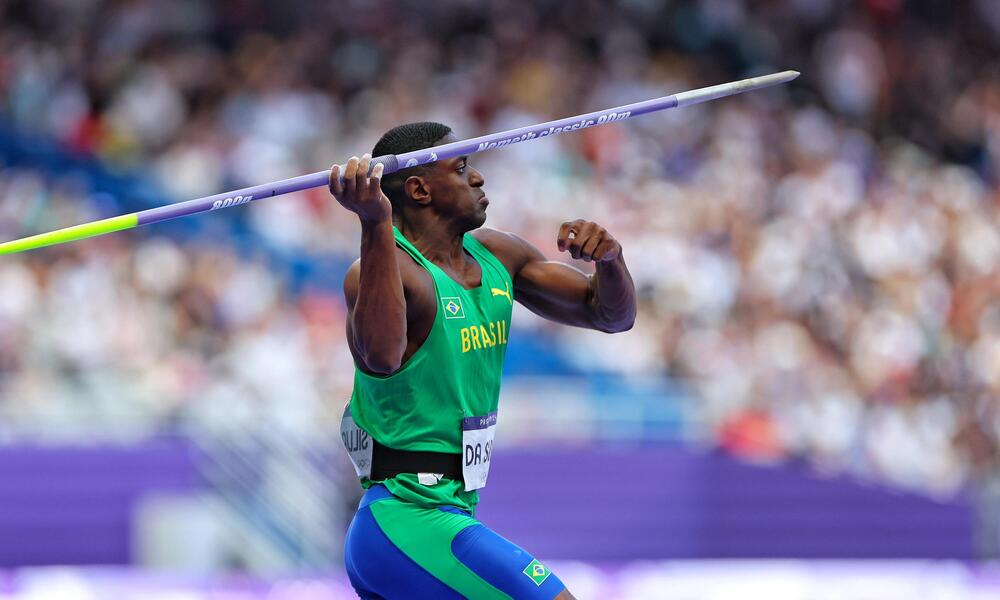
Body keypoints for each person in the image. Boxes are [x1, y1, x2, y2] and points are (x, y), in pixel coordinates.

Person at [332, 122, 636, 600]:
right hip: (405, 518)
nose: (478, 179)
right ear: (419, 188)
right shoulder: (391, 272)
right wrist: (374, 222)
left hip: (452, 508)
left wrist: (611, 259)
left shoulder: (498, 254)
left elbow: (610, 315)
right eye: (462, 167)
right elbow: (381, 356)